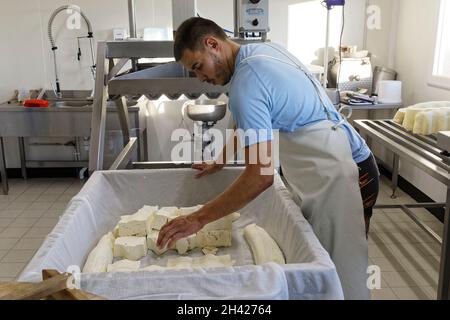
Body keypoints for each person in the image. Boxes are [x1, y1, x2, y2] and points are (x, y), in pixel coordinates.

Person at [157, 17, 379, 299]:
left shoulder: (247, 85)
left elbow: (260, 175)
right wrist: (222, 159)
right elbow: (248, 119)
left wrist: (198, 219)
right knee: (327, 267)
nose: (201, 78)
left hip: (345, 175)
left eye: (198, 67)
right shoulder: (264, 51)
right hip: (347, 161)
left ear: (212, 44)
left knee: (340, 272)